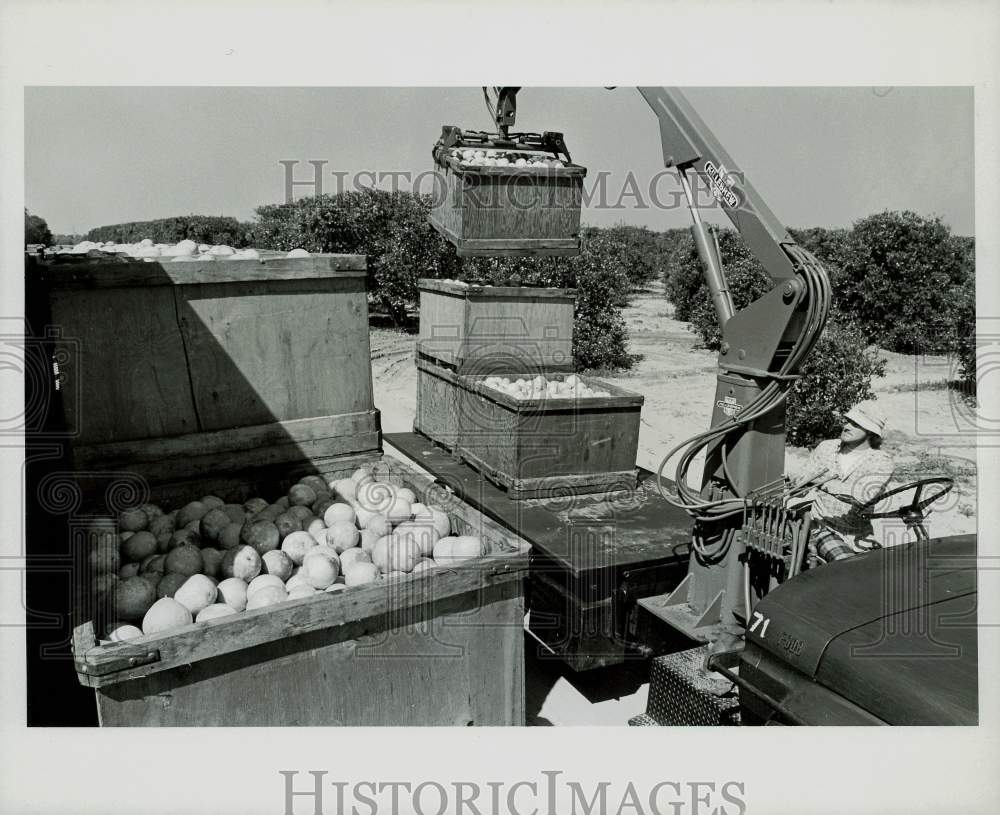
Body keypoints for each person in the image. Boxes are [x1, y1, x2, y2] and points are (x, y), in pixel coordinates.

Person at [791, 401, 894, 565]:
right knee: (847, 570)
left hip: (860, 535)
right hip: (822, 526)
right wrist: (797, 482)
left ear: (870, 432)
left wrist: (819, 482)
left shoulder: (881, 462)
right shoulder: (826, 447)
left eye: (855, 424)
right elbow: (801, 485)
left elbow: (862, 495)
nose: (846, 426)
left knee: (882, 573)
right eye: (847, 421)